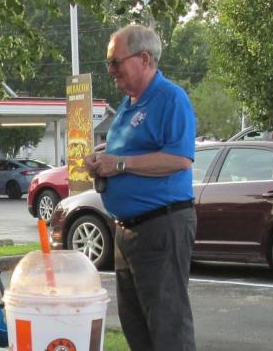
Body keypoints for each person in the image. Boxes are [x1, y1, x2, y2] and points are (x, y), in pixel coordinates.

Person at [85, 24, 197, 351]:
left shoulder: (170, 98)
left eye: (115, 62)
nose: (110, 70)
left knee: (167, 327)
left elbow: (179, 159)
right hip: (128, 231)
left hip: (160, 226)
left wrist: (120, 164)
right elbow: (128, 151)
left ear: (144, 59)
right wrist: (102, 159)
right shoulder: (129, 103)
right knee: (136, 327)